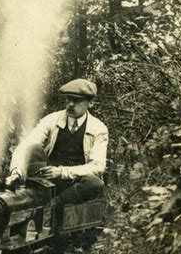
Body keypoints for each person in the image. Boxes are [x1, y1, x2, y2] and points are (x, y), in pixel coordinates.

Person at [6, 78, 108, 206]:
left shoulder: (98, 129)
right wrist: (16, 172)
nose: (71, 104)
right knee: (33, 148)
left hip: (75, 183)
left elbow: (97, 167)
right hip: (48, 181)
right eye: (68, 99)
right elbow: (26, 146)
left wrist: (61, 172)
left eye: (77, 100)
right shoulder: (52, 119)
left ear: (91, 103)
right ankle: (36, 197)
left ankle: (52, 206)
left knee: (94, 183)